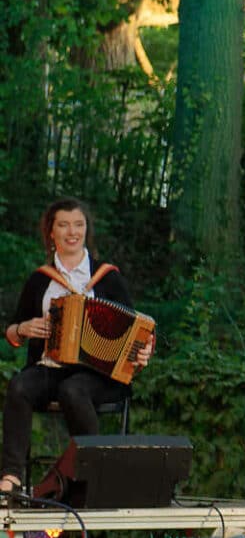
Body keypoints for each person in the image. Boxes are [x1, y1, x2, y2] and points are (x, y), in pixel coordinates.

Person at [3, 199, 153, 498]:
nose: (72, 231)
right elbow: (11, 330)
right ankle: (11, 476)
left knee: (73, 389)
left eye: (79, 224)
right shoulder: (40, 279)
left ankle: (93, 477)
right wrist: (24, 328)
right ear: (51, 233)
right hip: (50, 369)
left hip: (98, 376)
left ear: (87, 230)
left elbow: (139, 330)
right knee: (19, 386)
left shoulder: (108, 277)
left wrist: (144, 351)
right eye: (64, 224)